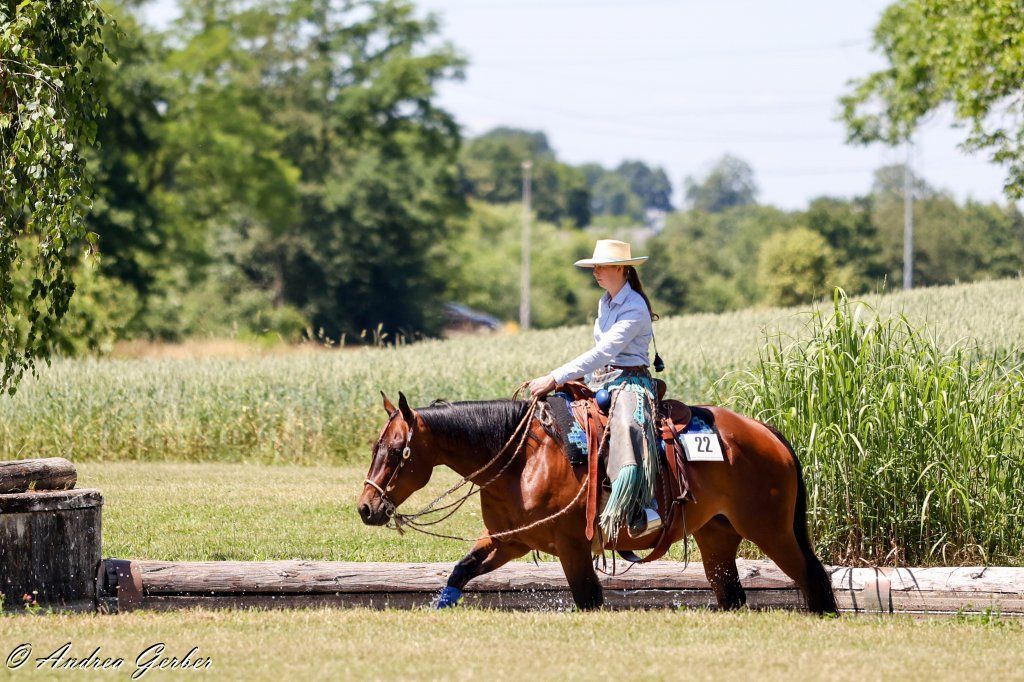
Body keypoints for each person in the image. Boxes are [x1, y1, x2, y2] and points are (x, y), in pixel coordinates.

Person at [527, 239, 662, 542]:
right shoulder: (606, 302)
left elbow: (604, 352)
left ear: (621, 268)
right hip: (600, 382)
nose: (595, 272)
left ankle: (639, 504)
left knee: (628, 425)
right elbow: (601, 355)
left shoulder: (635, 306)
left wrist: (554, 376)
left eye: (601, 266)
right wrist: (571, 380)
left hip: (629, 383)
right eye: (594, 267)